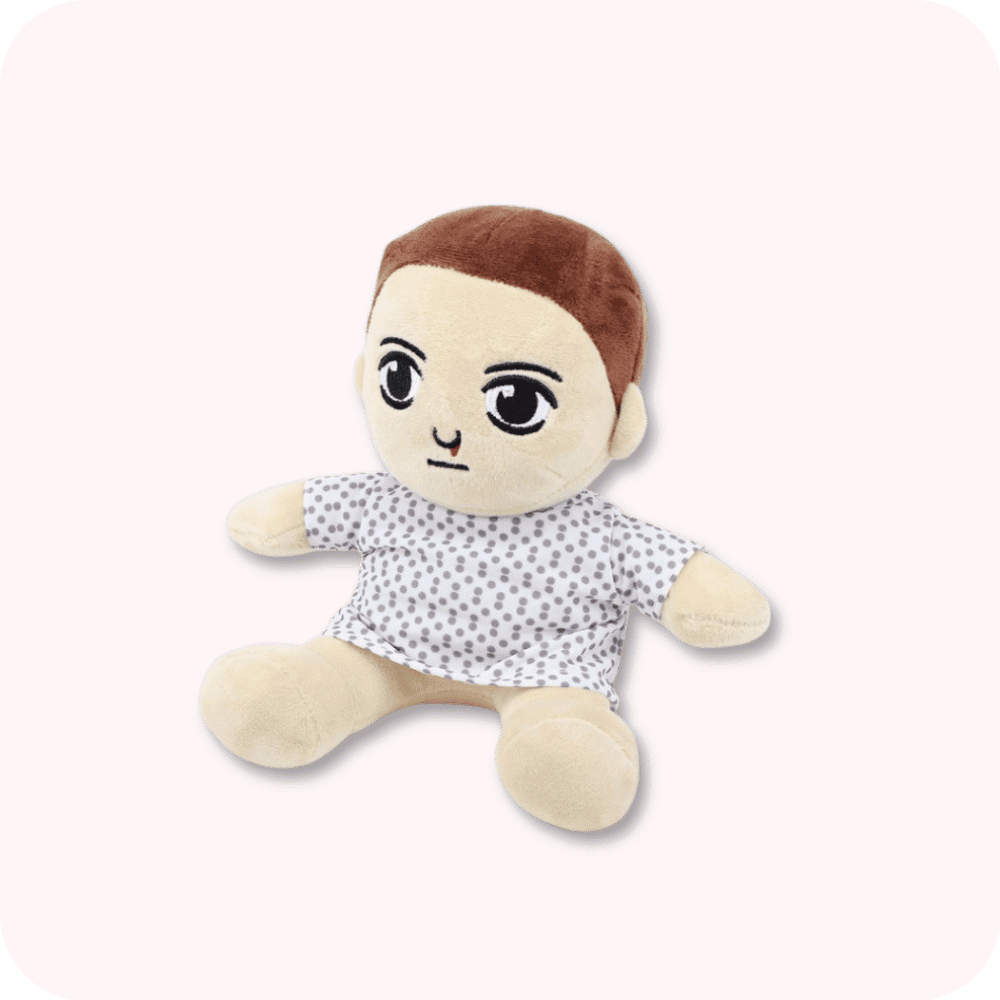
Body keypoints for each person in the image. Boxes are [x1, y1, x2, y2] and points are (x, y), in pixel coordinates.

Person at [200, 206, 770, 831]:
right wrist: (272, 519)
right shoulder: (386, 498)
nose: (445, 430)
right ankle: (302, 696)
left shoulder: (603, 536)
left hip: (547, 671)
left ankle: (558, 740)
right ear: (366, 378)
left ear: (620, 422)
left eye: (516, 401)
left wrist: (708, 602)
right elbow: (277, 518)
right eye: (400, 378)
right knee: (291, 694)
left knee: (564, 748)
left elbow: (690, 586)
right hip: (379, 647)